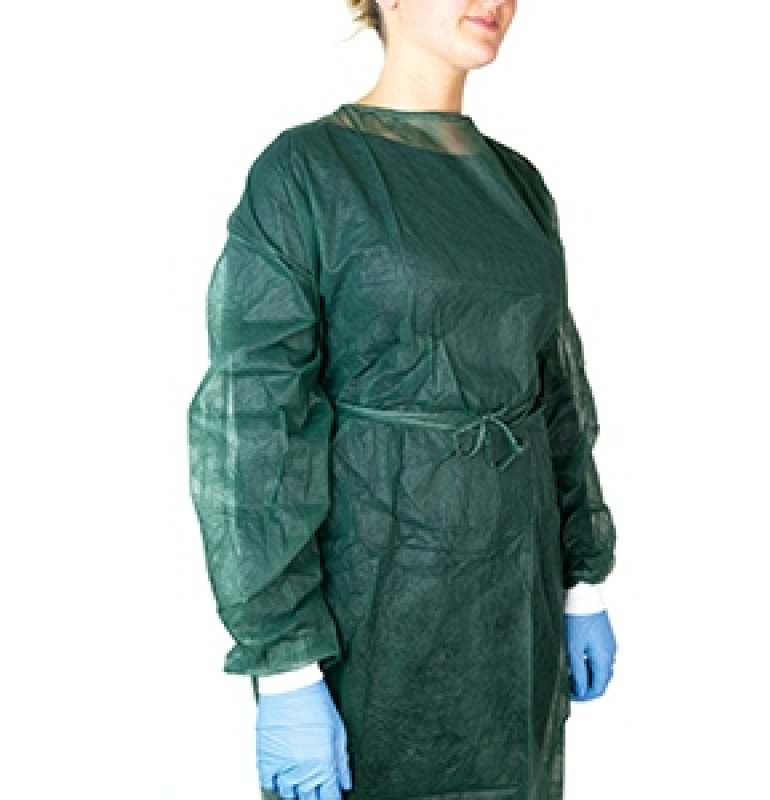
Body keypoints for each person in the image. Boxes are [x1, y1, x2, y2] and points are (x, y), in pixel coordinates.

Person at [187, 1, 618, 798]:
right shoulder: (307, 174)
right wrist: (285, 666)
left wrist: (582, 579)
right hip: (377, 613)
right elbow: (252, 428)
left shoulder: (519, 186)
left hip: (516, 609)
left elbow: (557, 392)